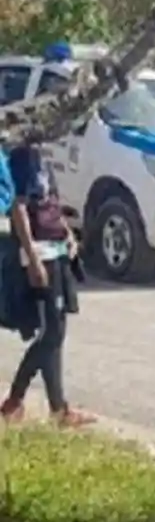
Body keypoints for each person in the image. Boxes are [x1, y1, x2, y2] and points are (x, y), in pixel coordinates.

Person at [0, 141, 93, 427]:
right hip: (40, 253)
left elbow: (51, 203)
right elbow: (18, 208)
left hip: (58, 250)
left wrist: (68, 233)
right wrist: (32, 258)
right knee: (50, 333)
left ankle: (58, 408)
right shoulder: (20, 160)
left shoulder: (42, 159)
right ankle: (14, 400)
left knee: (56, 332)